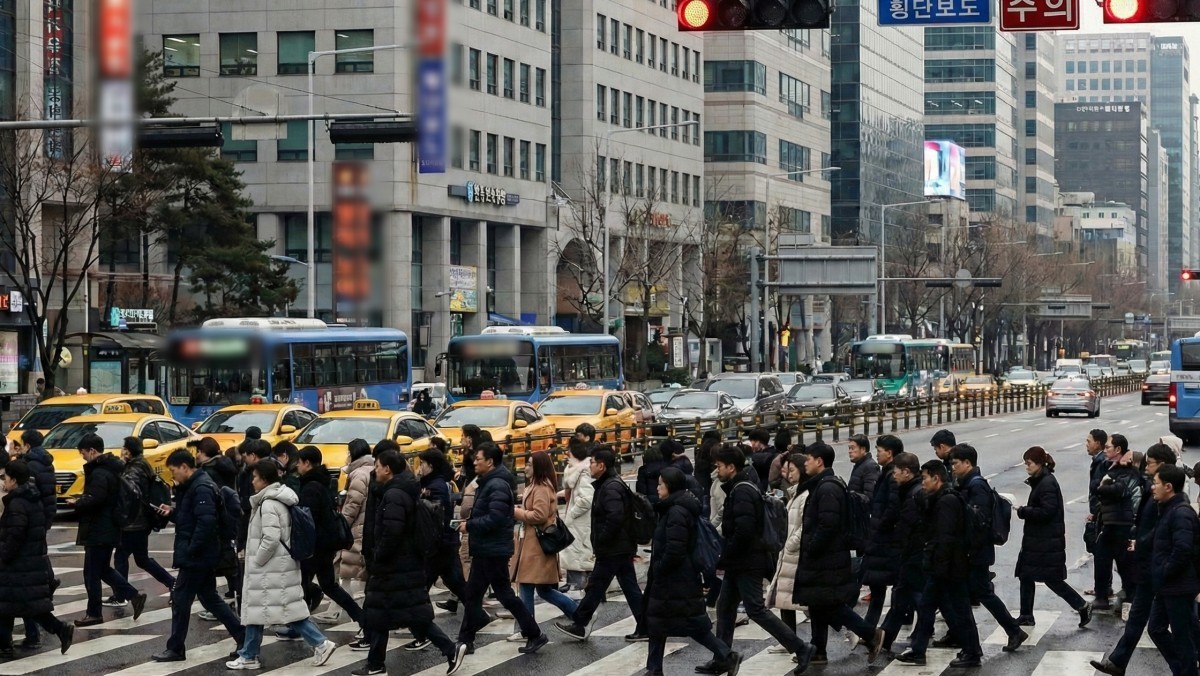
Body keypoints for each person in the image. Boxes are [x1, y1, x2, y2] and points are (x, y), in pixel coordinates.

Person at [355, 449, 461, 676]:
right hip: (402, 563)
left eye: (377, 466)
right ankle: (375, 663)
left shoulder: (394, 495)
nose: (375, 470)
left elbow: (392, 531)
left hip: (394, 565)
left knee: (399, 615)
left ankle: (449, 649)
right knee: (389, 615)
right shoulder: (403, 490)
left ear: (387, 469)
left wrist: (378, 555)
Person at [226, 459, 337, 670]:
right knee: (263, 611)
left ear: (265, 479)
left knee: (285, 611)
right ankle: (249, 654)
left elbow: (271, 538)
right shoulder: (277, 499)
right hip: (278, 566)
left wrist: (257, 560)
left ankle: (320, 643)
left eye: (255, 477)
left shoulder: (268, 504)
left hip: (270, 568)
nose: (252, 481)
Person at [454, 442, 549, 658]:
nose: (474, 462)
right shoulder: (490, 481)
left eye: (478, 459)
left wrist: (470, 525)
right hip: (488, 548)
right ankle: (466, 639)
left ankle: (534, 633)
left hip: (492, 549)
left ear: (490, 461)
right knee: (477, 594)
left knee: (495, 594)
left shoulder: (496, 484)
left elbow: (496, 518)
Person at [644, 467, 741, 676]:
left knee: (692, 625)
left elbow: (675, 549)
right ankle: (654, 669)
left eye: (661, 484)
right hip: (675, 577)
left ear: (670, 486)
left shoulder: (676, 512)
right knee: (658, 624)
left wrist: (659, 567)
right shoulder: (675, 507)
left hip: (676, 579)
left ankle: (727, 655)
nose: (657, 488)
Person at [792, 441, 881, 668]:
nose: (805, 464)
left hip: (826, 558)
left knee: (830, 605)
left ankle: (871, 634)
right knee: (817, 604)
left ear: (819, 461)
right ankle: (818, 650)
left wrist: (811, 547)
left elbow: (828, 525)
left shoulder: (828, 488)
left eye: (808, 459)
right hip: (824, 557)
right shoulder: (822, 484)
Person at [152, 449, 245, 662]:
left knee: (180, 599)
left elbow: (206, 523)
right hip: (201, 554)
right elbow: (191, 519)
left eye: (174, 470)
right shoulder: (194, 486)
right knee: (210, 598)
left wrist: (192, 549)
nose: (173, 475)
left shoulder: (201, 487)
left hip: (198, 556)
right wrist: (173, 512)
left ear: (185, 467)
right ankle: (243, 635)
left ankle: (176, 648)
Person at [1092, 443, 1177, 676]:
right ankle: (1118, 661)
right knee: (1139, 616)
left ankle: (1186, 664)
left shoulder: (1167, 493)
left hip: (1160, 565)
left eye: (1150, 463)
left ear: (1162, 464)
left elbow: (1163, 527)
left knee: (1174, 622)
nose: (1146, 467)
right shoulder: (1152, 485)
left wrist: (1142, 542)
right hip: (1149, 564)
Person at [895, 461, 984, 668]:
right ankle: (918, 651)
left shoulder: (947, 501)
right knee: (927, 606)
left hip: (949, 567)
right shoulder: (941, 499)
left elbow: (946, 539)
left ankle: (972, 652)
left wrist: (939, 569)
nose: (922, 482)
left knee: (960, 610)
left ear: (936, 478)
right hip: (943, 566)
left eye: (925, 478)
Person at [554, 446, 645, 643]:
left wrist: (601, 539)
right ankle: (645, 626)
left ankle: (580, 623)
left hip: (613, 548)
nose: (590, 467)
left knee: (596, 586)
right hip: (619, 547)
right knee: (627, 588)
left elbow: (615, 518)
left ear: (602, 465)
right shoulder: (609, 484)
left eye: (593, 463)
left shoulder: (610, 487)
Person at [948, 444, 1025, 646]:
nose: (953, 468)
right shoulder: (966, 483)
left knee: (982, 593)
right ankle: (959, 633)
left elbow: (980, 520)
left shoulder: (976, 485)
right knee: (965, 593)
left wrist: (959, 504)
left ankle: (1013, 630)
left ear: (967, 463)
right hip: (971, 551)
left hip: (976, 552)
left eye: (955, 463)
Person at [66, 433, 146, 627]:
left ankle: (94, 613)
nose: (83, 457)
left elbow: (96, 499)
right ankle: (133, 595)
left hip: (99, 529)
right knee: (102, 569)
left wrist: (78, 502)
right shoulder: (110, 469)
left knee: (91, 573)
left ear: (92, 451)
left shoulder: (100, 472)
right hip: (107, 528)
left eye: (84, 453)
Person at [408, 447, 483, 650]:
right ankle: (479, 615)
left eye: (423, 464)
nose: (420, 468)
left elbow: (434, 515)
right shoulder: (434, 483)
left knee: (420, 588)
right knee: (456, 583)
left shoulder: (436, 486)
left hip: (438, 544)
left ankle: (421, 631)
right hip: (443, 543)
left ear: (431, 466)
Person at [0, 460, 73, 657]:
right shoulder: (33, 498)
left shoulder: (17, 503)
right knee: (21, 606)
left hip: (18, 563)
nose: (4, 481)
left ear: (14, 480)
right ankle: (59, 629)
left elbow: (15, 534)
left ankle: (5, 645)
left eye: (6, 478)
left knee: (9, 604)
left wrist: (4, 554)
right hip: (30, 560)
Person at [1015, 447, 1091, 624]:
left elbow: (1047, 511)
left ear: (1039, 464)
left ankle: (1082, 605)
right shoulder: (1041, 481)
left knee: (1051, 579)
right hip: (1038, 540)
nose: (1026, 467)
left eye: (1029, 463)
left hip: (1046, 542)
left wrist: (1024, 511)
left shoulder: (1047, 483)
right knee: (1026, 575)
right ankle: (1026, 615)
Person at [293, 447, 363, 630]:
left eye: (299, 462)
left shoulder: (310, 487)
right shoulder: (323, 482)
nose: (297, 466)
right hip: (325, 544)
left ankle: (299, 627)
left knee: (302, 586)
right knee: (328, 585)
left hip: (314, 546)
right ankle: (361, 617)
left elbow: (307, 519)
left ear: (307, 463)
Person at [511, 451, 578, 632]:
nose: (525, 467)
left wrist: (517, 512)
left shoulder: (541, 487)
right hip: (534, 544)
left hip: (537, 545)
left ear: (538, 467)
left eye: (529, 464)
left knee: (526, 584)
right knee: (543, 590)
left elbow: (539, 515)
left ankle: (528, 630)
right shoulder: (536, 485)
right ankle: (579, 614)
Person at [1145, 465, 1200, 676]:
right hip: (1167, 585)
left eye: (1156, 483)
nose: (1153, 487)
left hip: (1179, 585)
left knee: (1182, 636)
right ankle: (1182, 670)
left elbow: (1183, 549)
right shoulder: (1168, 509)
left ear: (1168, 487)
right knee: (1156, 629)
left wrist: (1165, 571)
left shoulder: (1181, 513)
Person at [111, 437, 175, 602]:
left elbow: (128, 492)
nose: (122, 451)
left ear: (128, 451)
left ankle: (121, 594)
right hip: (141, 521)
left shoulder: (134, 469)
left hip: (134, 522)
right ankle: (171, 582)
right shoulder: (142, 465)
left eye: (124, 448)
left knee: (121, 556)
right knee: (141, 559)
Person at [11, 430, 57, 649]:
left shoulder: (29, 466)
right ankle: (49, 580)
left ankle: (35, 633)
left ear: (27, 445)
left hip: (29, 526)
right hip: (41, 520)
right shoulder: (46, 462)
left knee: (24, 585)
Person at [876, 452, 926, 653]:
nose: (894, 475)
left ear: (907, 472)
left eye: (896, 472)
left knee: (920, 600)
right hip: (910, 554)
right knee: (901, 597)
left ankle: (919, 646)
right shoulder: (908, 490)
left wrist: (900, 550)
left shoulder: (913, 494)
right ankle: (884, 638)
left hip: (914, 555)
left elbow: (908, 528)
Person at [766, 452, 809, 642]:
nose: (788, 475)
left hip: (795, 555)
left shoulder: (805, 495)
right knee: (784, 600)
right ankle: (790, 641)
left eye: (792, 470)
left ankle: (855, 630)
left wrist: (790, 544)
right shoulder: (794, 493)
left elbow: (804, 526)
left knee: (814, 605)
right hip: (788, 554)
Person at [1093, 440, 1141, 612]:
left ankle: (1129, 596)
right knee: (1102, 560)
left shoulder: (1128, 471)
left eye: (1108, 447)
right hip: (1109, 521)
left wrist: (1102, 487)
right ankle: (1102, 596)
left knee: (1124, 563)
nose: (1105, 450)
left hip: (1122, 523)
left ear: (1119, 449)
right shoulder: (1106, 466)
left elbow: (1119, 491)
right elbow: (1096, 487)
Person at [861, 434, 901, 629]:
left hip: (885, 539)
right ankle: (868, 628)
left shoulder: (892, 476)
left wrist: (880, 527)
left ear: (889, 453)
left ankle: (870, 629)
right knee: (878, 585)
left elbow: (892, 507)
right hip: (881, 537)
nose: (877, 454)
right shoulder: (887, 472)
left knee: (886, 586)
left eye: (879, 451)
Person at [558, 441, 594, 594]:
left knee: (578, 552)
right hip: (578, 521)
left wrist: (572, 514)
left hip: (580, 521)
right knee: (574, 551)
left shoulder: (583, 473)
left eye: (569, 453)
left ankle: (578, 585)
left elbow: (586, 499)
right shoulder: (577, 472)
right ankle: (574, 583)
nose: (567, 456)